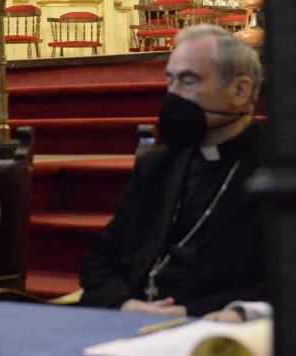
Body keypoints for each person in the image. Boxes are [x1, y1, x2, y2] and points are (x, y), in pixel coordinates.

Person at [79, 24, 265, 316]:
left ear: (240, 91)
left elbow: (294, 279)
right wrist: (126, 304)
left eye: (188, 81)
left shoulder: (277, 170)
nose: (173, 95)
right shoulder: (157, 166)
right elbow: (99, 262)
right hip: (130, 324)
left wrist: (195, 313)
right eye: (170, 81)